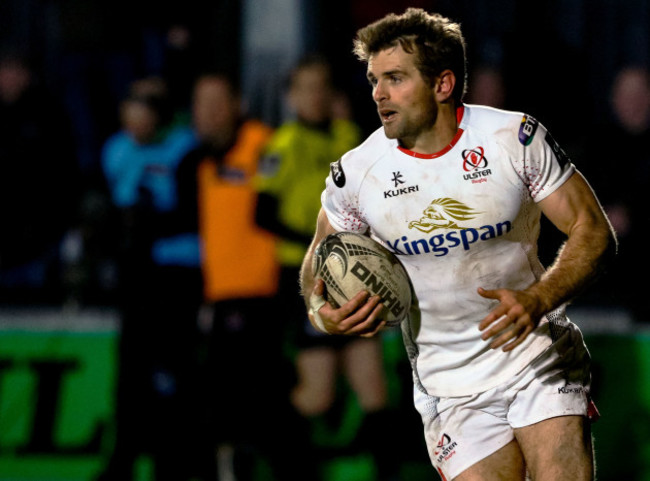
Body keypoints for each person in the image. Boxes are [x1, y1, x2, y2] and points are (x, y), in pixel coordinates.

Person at [299, 8, 616, 481]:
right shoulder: (358, 173)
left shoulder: (513, 139)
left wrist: (540, 299)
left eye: (395, 79)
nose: (378, 94)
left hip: (537, 356)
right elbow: (318, 261)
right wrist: (320, 312)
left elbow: (593, 231)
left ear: (443, 85)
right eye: (373, 80)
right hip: (449, 386)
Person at [254, 54, 401, 480]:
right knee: (316, 396)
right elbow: (261, 214)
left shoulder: (349, 137)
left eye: (321, 86)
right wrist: (321, 245)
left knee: (373, 388)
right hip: (308, 281)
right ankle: (271, 453)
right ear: (292, 96)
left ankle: (386, 474)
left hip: (353, 278)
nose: (314, 96)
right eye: (305, 88)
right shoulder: (282, 145)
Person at [173, 72, 318, 481]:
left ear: (238, 105)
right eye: (201, 104)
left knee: (267, 402)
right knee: (225, 405)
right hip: (220, 298)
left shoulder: (264, 146)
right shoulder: (196, 161)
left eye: (218, 103)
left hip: (265, 296)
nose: (209, 113)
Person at [97, 76, 202, 481]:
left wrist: (145, 222)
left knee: (170, 372)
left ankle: (169, 462)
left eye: (151, 104)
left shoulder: (184, 147)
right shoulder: (117, 149)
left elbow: (192, 212)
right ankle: (122, 458)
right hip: (136, 273)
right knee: (129, 373)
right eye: (135, 102)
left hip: (175, 272)